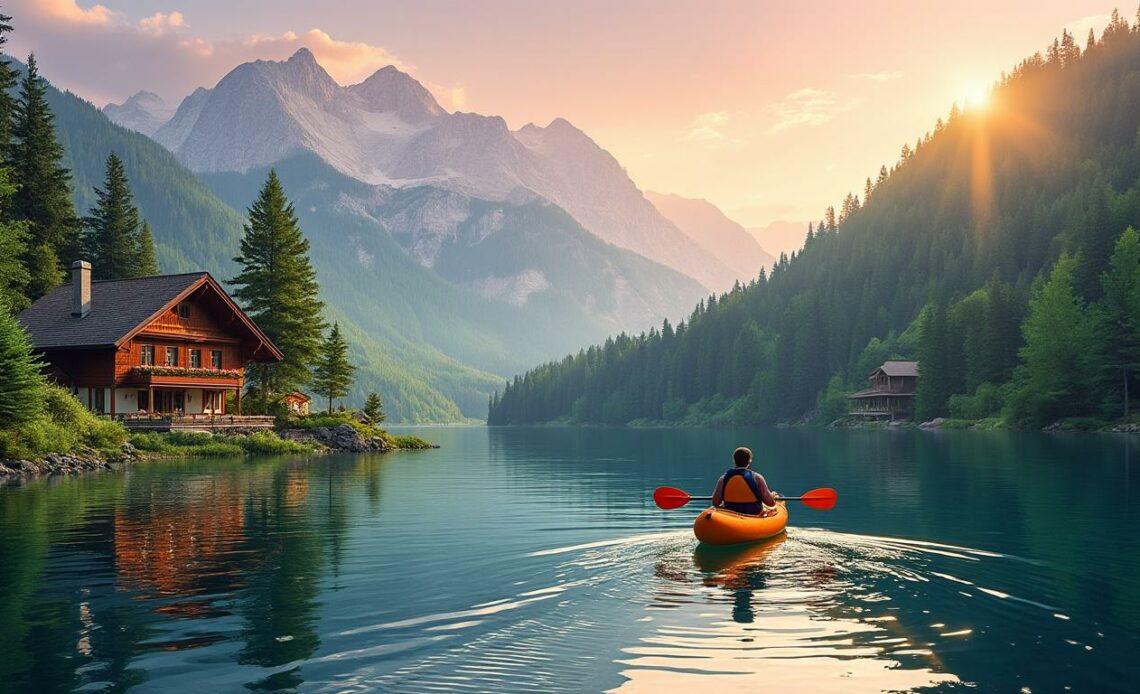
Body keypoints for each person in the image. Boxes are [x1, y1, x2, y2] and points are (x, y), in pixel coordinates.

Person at [710, 446, 778, 516]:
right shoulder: (757, 478)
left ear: (734, 460)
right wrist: (772, 496)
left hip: (730, 514)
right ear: (750, 460)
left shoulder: (723, 479)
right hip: (753, 514)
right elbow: (769, 503)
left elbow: (715, 503)